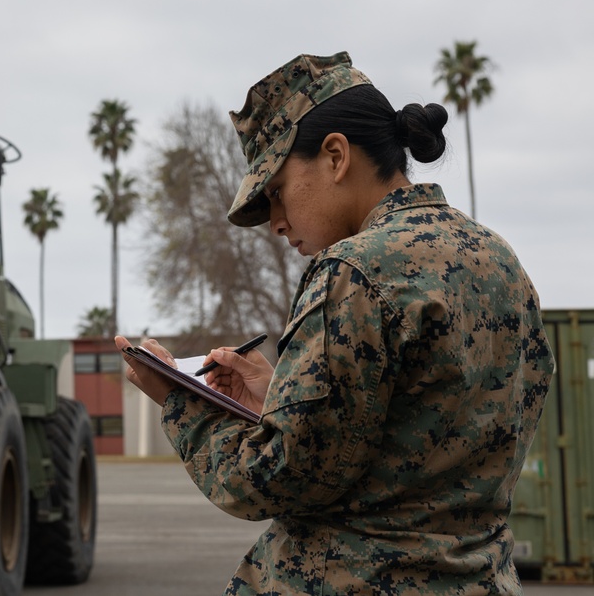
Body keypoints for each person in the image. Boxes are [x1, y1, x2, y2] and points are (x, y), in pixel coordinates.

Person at [116, 52, 554, 594]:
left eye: (276, 191)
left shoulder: (353, 271)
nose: (275, 222)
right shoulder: (499, 260)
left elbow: (278, 479)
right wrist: (280, 397)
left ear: (335, 155)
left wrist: (181, 401)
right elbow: (419, 432)